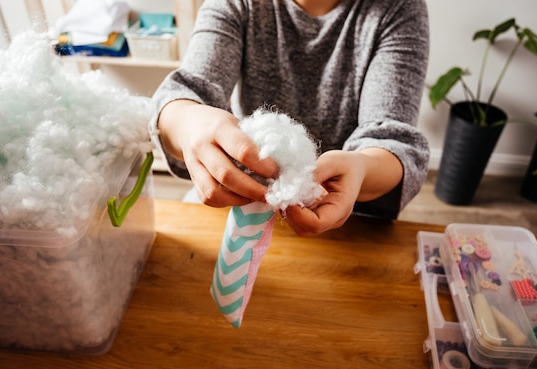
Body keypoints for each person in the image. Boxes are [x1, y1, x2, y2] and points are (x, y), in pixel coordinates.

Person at [150, 0, 430, 236]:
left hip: (348, 221)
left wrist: (360, 167)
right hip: (249, 205)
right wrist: (190, 123)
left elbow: (394, 141)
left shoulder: (398, 8)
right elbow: (181, 97)